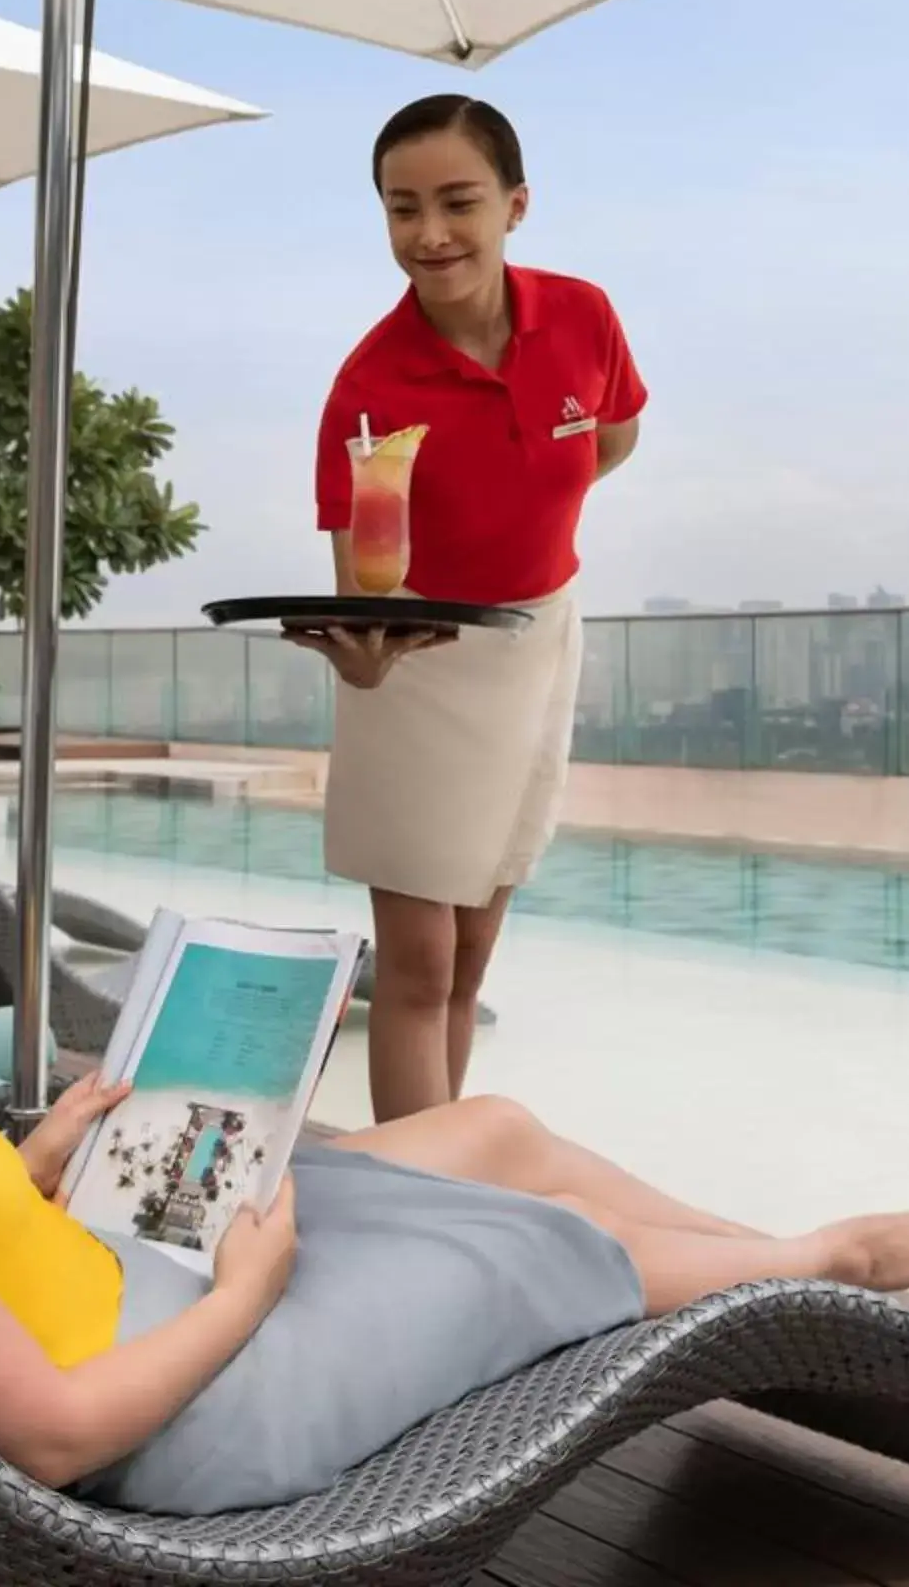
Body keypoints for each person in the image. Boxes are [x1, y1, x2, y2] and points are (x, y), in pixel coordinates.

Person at [0, 749, 909, 1515]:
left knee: (491, 1131)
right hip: (198, 1405)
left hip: (128, 1276)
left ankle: (751, 1250)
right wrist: (249, 1294)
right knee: (541, 1245)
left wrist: (26, 1173)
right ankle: (809, 1262)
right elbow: (49, 1443)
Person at [297, 94, 643, 1121]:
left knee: (477, 946)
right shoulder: (371, 382)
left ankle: (441, 1166)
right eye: (403, 208)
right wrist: (362, 653)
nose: (430, 233)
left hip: (540, 641)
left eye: (459, 201)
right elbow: (363, 573)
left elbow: (611, 438)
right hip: (419, 663)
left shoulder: (581, 315)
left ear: (516, 204)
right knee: (417, 958)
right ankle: (417, 1194)